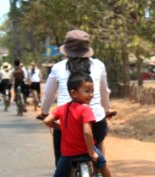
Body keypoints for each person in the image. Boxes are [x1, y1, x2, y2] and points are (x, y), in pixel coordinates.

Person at [42, 72, 121, 177]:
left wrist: (61, 127)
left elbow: (47, 121)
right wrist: (91, 151)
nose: (91, 95)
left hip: (67, 155)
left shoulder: (62, 109)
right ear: (73, 93)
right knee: (103, 162)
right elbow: (87, 132)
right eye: (87, 91)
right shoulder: (86, 110)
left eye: (92, 91)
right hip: (85, 152)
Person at [39, 29, 112, 166]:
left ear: (66, 50)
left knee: (62, 165)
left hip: (66, 123)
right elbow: (104, 92)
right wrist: (106, 110)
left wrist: (44, 112)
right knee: (99, 138)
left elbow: (48, 95)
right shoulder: (99, 65)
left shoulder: (58, 68)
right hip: (96, 121)